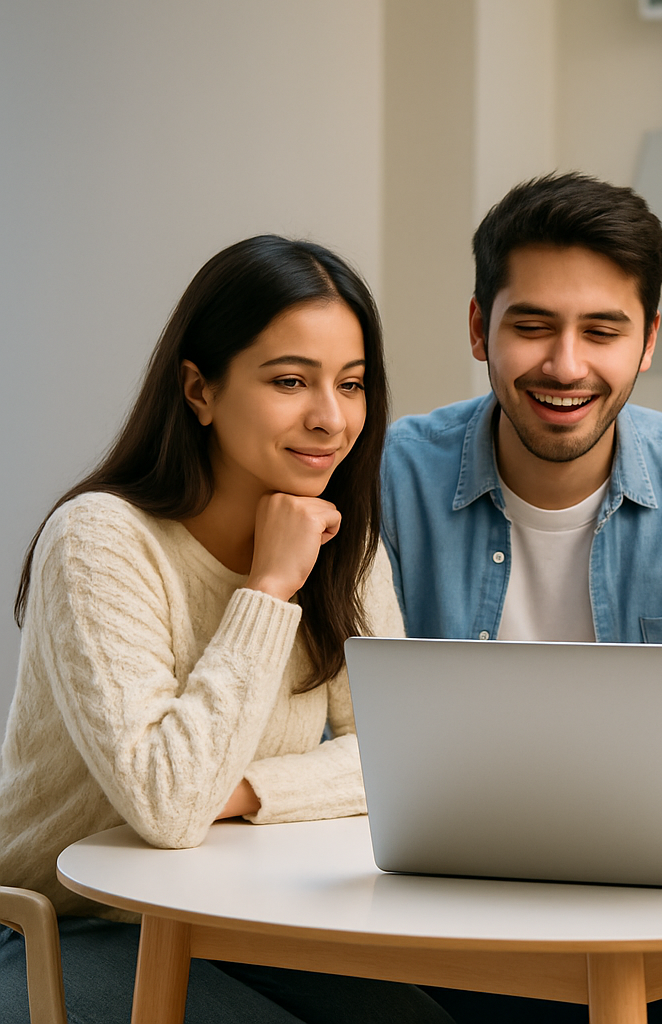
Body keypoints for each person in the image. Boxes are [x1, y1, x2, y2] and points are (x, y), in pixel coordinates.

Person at [380, 173, 662, 1023]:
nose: (565, 365)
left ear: (647, 340)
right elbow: (337, 715)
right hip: (444, 898)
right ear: (479, 328)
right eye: (532, 326)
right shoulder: (393, 476)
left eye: (602, 331)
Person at [0, 236, 453, 1024]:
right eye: (290, 381)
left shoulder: (346, 544)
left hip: (236, 915)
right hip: (61, 923)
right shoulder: (101, 540)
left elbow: (405, 758)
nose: (330, 418)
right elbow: (170, 805)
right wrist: (269, 587)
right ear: (199, 390)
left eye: (351, 384)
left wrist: (242, 793)